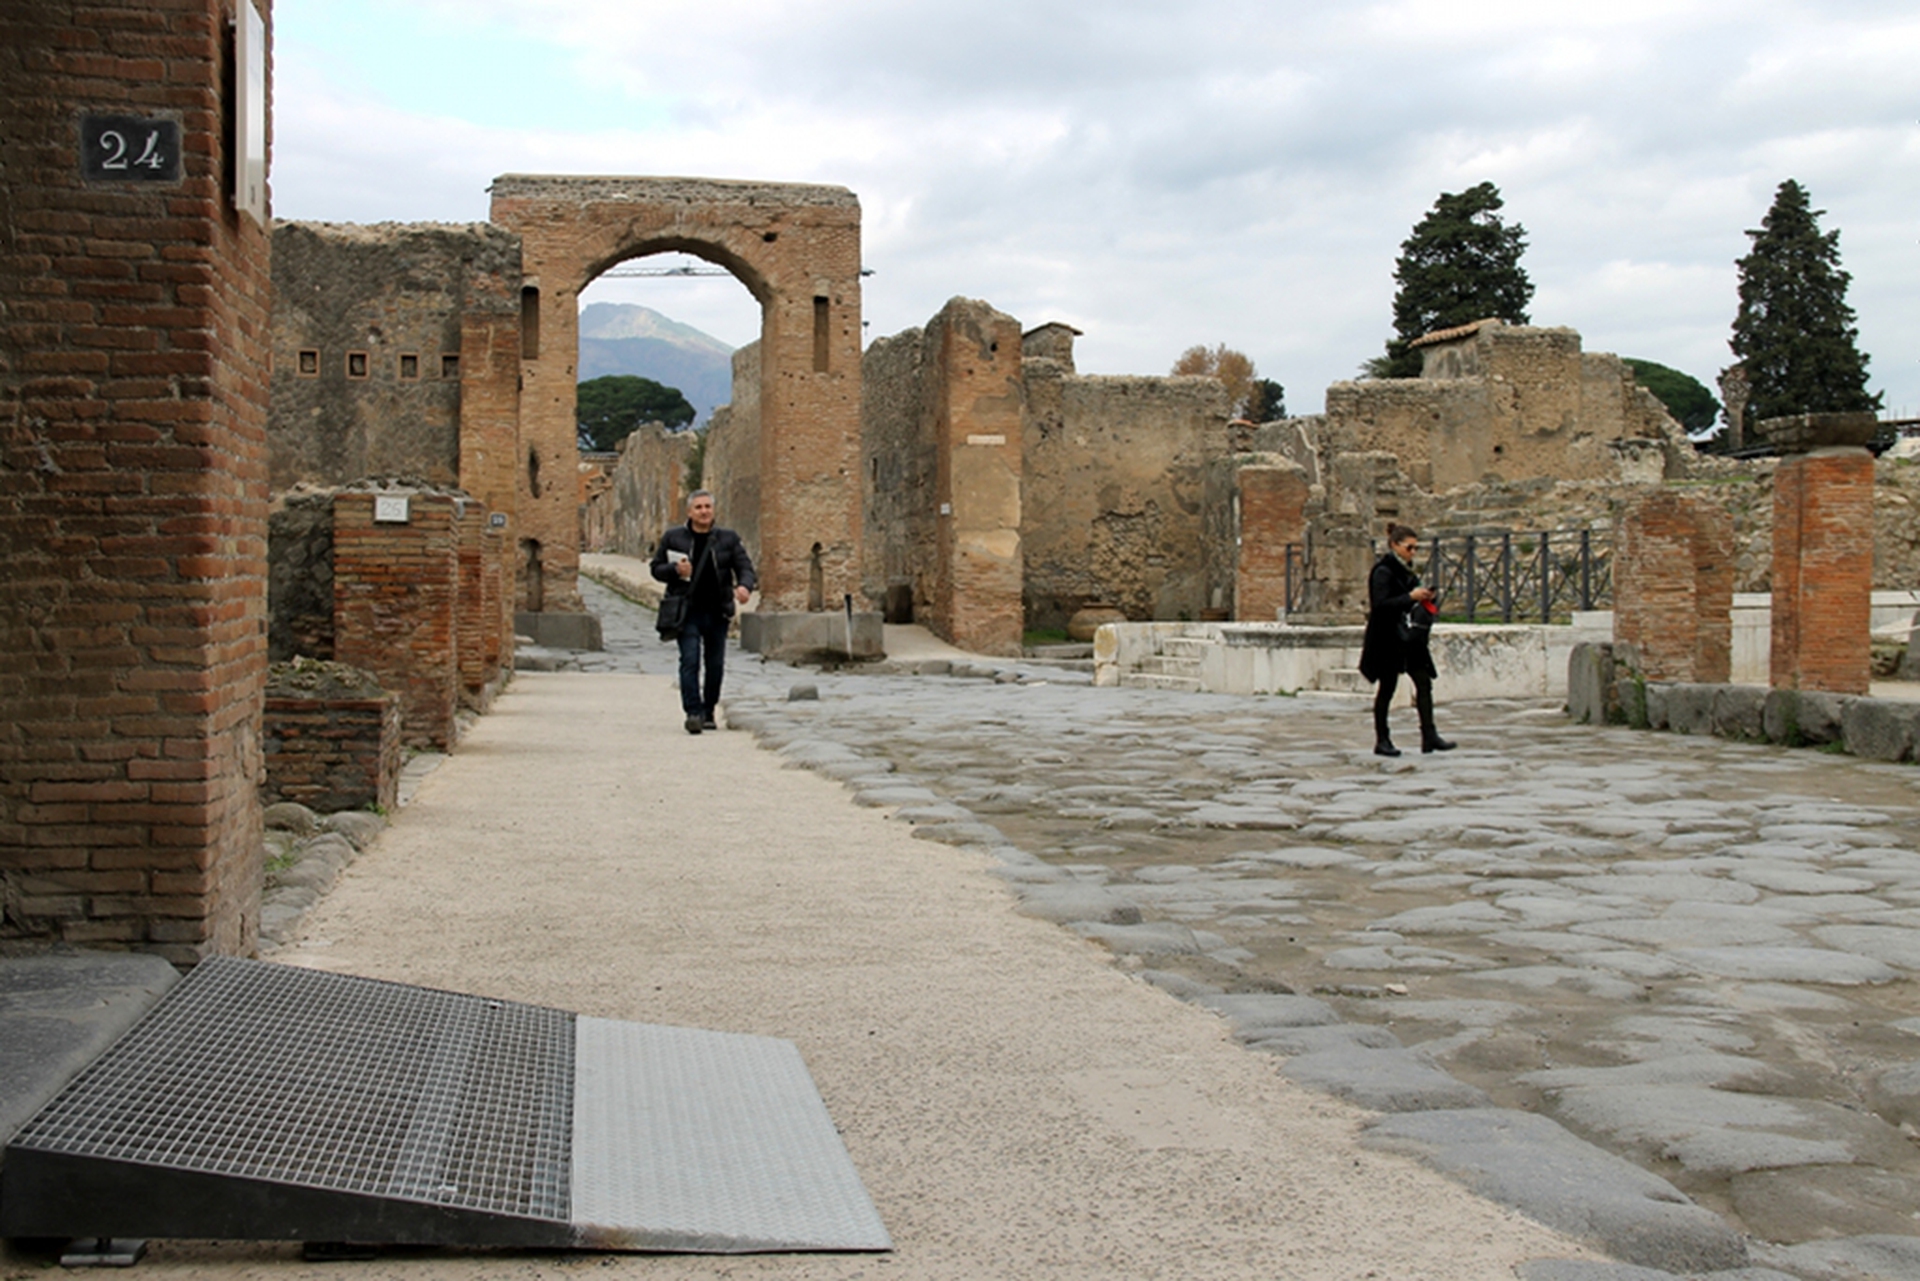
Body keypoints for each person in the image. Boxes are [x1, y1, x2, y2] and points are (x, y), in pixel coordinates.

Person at [650, 490, 757, 735]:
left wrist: (744, 586)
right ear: (689, 512)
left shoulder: (728, 539)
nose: (704, 511)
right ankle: (693, 712)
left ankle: (708, 710)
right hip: (687, 611)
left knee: (715, 664)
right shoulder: (673, 538)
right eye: (698, 507)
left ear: (713, 510)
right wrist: (675, 570)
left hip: (718, 610)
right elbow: (655, 569)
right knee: (690, 661)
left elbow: (745, 567)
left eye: (707, 506)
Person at [1358, 522, 1455, 757]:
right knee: (1387, 689)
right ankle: (1382, 739)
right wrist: (1410, 597)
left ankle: (1429, 735)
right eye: (1409, 548)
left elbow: (1410, 598)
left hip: (1409, 636)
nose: (1412, 552)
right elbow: (1380, 605)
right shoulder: (1383, 571)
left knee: (1423, 682)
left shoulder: (1407, 571)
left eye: (1415, 548)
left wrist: (1424, 596)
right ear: (1394, 545)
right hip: (1388, 637)